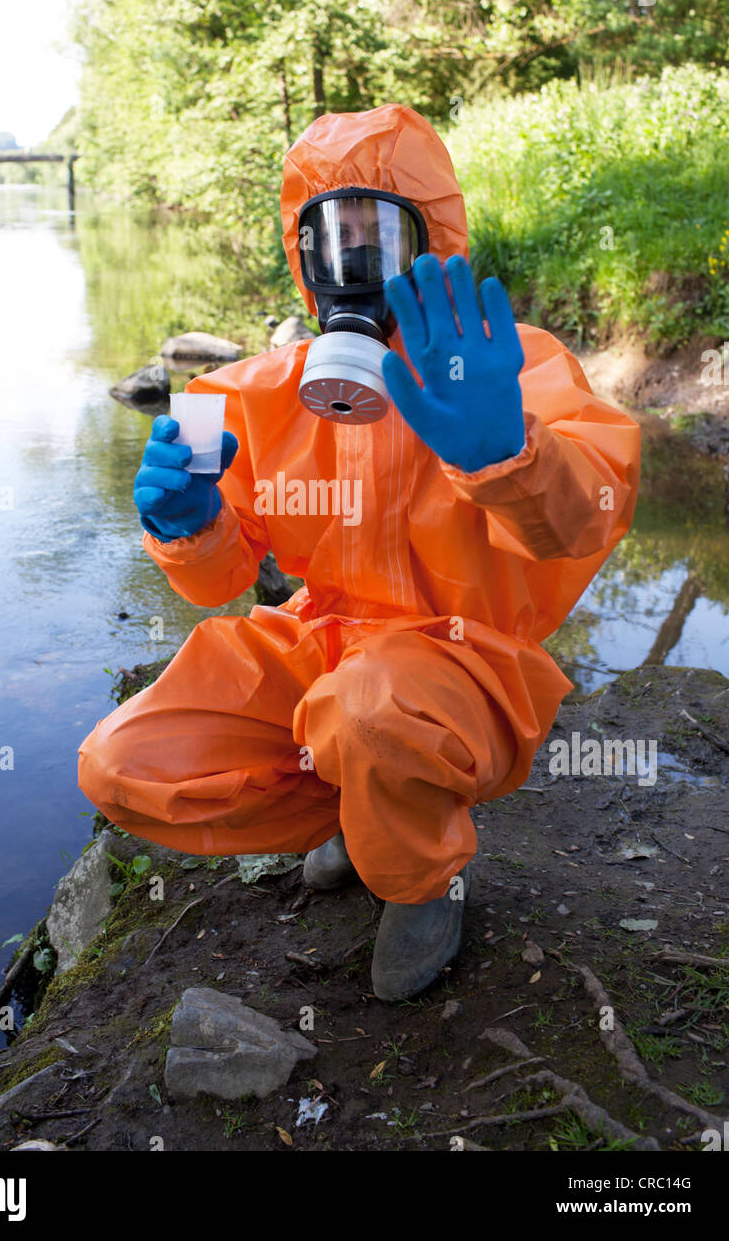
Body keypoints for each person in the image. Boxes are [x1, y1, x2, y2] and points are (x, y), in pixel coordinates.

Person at [78, 103, 640, 1001]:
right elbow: (218, 582)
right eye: (332, 237)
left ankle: (423, 880)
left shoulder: (512, 368)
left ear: (435, 244)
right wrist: (183, 524)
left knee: (373, 708)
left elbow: (586, 520)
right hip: (323, 650)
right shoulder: (238, 394)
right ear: (302, 259)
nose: (357, 266)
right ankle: (362, 803)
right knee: (123, 763)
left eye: (381, 234)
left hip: (463, 663)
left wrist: (509, 455)